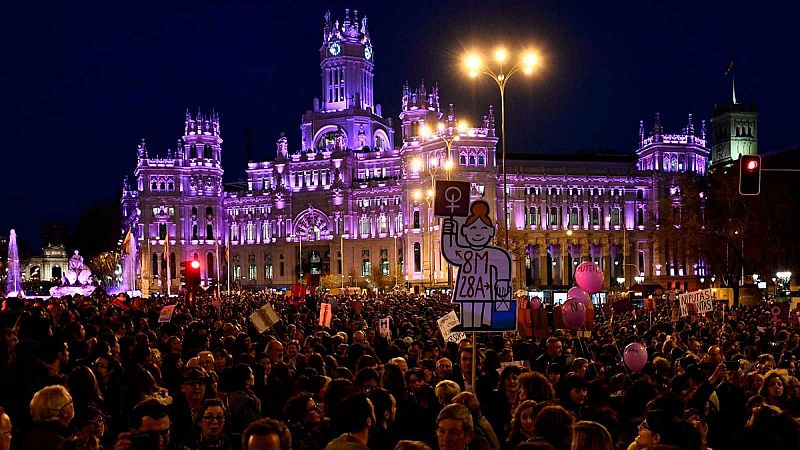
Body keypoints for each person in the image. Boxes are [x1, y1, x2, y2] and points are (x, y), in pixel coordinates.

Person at [21, 385, 75, 450]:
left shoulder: (30, 437)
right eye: (70, 402)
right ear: (64, 412)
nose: (73, 405)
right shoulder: (61, 443)